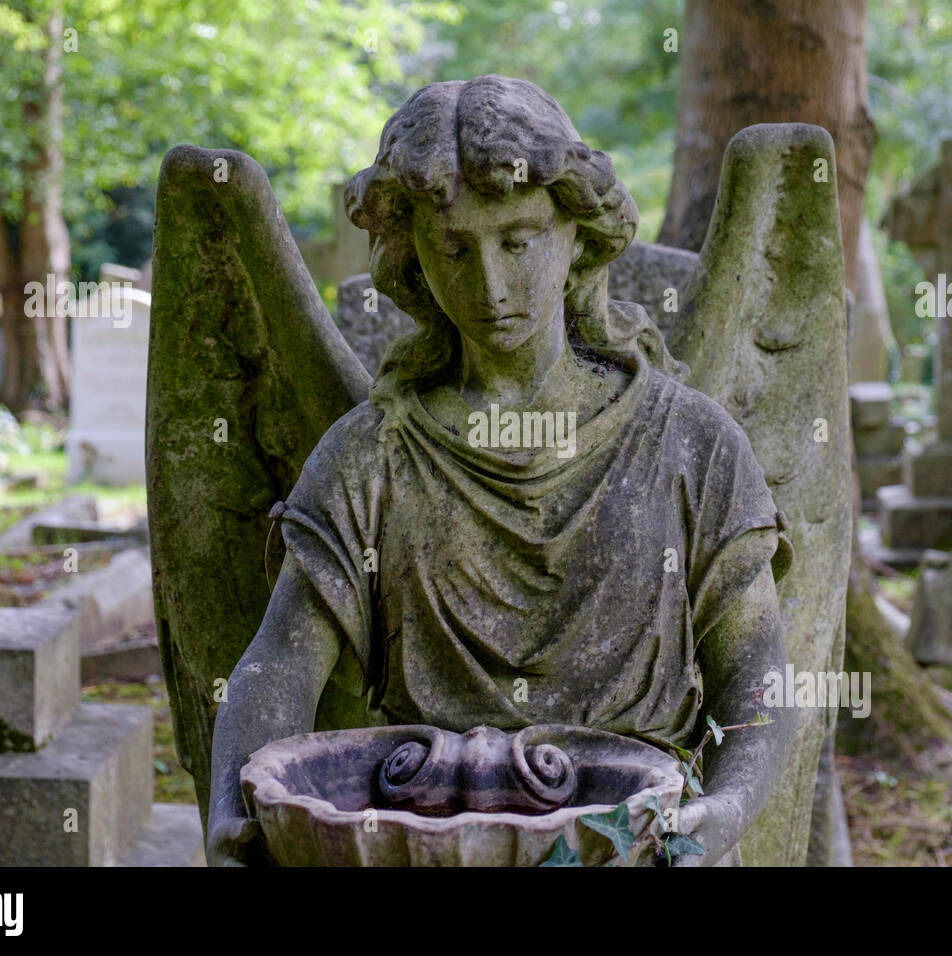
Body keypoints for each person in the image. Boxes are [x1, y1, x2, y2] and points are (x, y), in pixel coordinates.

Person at [207, 75, 793, 866]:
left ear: (578, 234)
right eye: (454, 248)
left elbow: (756, 671)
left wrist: (723, 809)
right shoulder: (370, 455)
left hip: (635, 844)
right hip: (426, 841)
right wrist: (233, 812)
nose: (489, 285)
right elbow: (278, 662)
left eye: (517, 240)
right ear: (412, 253)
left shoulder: (690, 443)